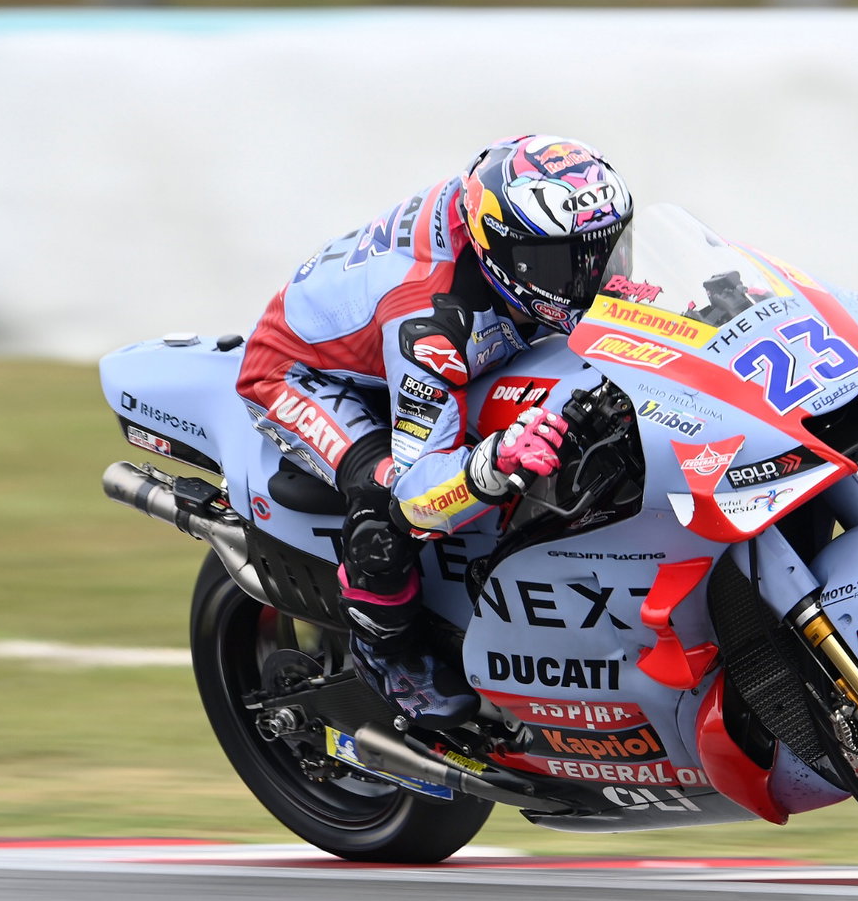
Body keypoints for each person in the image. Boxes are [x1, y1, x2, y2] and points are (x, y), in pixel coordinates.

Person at [236, 134, 634, 729]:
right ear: (507, 253)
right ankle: (385, 649)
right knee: (384, 493)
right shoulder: (434, 324)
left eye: (606, 251)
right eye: (566, 263)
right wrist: (495, 460)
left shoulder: (506, 206)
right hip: (296, 373)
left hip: (392, 328)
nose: (594, 276)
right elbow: (420, 493)